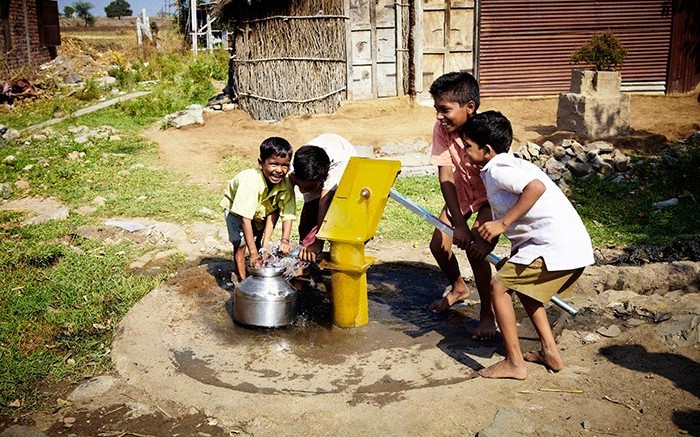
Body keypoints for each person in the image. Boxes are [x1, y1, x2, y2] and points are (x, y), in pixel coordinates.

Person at [461, 111, 594, 379]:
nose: (464, 154)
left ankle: (514, 362)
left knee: (499, 288)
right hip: (570, 246)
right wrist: (492, 234)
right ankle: (550, 352)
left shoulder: (497, 169)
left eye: (467, 147)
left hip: (553, 247)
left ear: (487, 150)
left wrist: (503, 224)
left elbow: (535, 188)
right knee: (526, 290)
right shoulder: (513, 165)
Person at [427, 71, 498, 340]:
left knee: (476, 251)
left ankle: (487, 314)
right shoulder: (441, 129)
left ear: (470, 108)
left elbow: (500, 180)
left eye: (444, 110)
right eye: (436, 109)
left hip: (491, 196)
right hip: (463, 193)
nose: (438, 116)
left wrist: (482, 224)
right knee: (438, 244)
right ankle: (459, 288)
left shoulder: (488, 130)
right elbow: (446, 175)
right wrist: (458, 223)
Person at [220, 137, 296, 282]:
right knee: (241, 243)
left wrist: (285, 240)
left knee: (263, 245)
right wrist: (253, 252)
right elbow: (245, 218)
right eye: (273, 164)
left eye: (285, 165)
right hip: (237, 212)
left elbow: (287, 213)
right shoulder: (250, 181)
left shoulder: (285, 184)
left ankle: (258, 275)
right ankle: (242, 281)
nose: (279, 170)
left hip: (265, 210)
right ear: (261, 163)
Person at [290, 134, 358, 262]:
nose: (303, 191)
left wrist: (318, 240)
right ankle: (306, 260)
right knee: (309, 215)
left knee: (337, 217)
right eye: (300, 186)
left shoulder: (336, 167)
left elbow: (324, 201)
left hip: (346, 164)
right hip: (316, 166)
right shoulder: (296, 166)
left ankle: (340, 257)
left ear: (323, 179)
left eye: (309, 187)